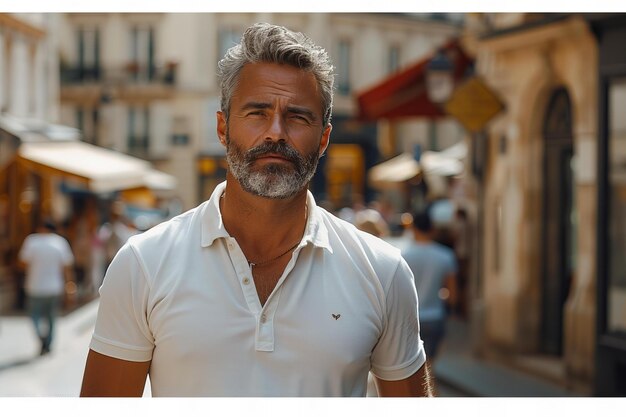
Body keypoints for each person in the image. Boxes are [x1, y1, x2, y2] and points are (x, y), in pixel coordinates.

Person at [81, 23, 430, 397]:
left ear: (325, 137)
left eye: (298, 116)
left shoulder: (383, 272)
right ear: (222, 128)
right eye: (257, 113)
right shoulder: (144, 264)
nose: (275, 132)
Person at [402, 211, 458, 361]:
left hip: (409, 318)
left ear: (413, 229)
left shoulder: (402, 256)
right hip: (435, 316)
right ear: (432, 229)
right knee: (429, 364)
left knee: (410, 365)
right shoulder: (446, 255)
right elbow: (452, 294)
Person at [18, 220, 74, 355]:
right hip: (54, 287)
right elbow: (66, 267)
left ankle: (41, 338)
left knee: (35, 316)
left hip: (34, 285)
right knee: (51, 317)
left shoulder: (31, 241)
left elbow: (22, 263)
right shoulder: (60, 242)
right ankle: (48, 343)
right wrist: (69, 284)